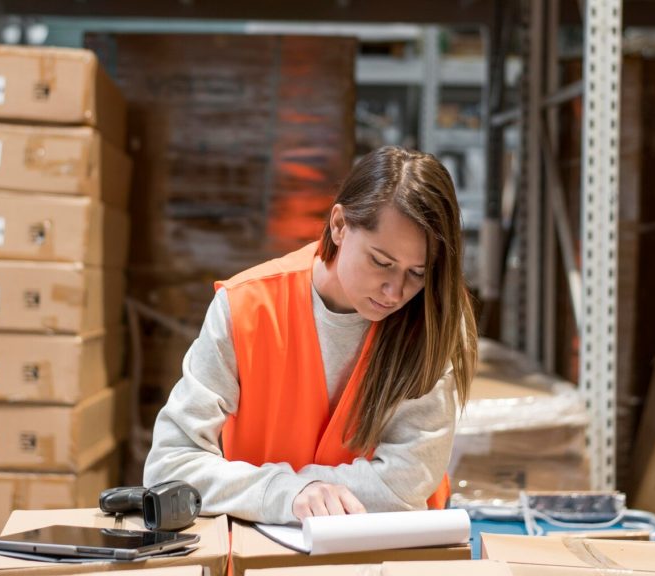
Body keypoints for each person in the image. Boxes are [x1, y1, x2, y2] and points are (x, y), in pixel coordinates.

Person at [144, 145, 478, 525]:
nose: (395, 291)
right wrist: (285, 494)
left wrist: (267, 492)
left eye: (417, 272)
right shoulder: (246, 307)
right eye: (381, 262)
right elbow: (169, 466)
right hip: (265, 553)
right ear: (339, 225)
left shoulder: (433, 321)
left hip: (388, 555)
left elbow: (404, 484)